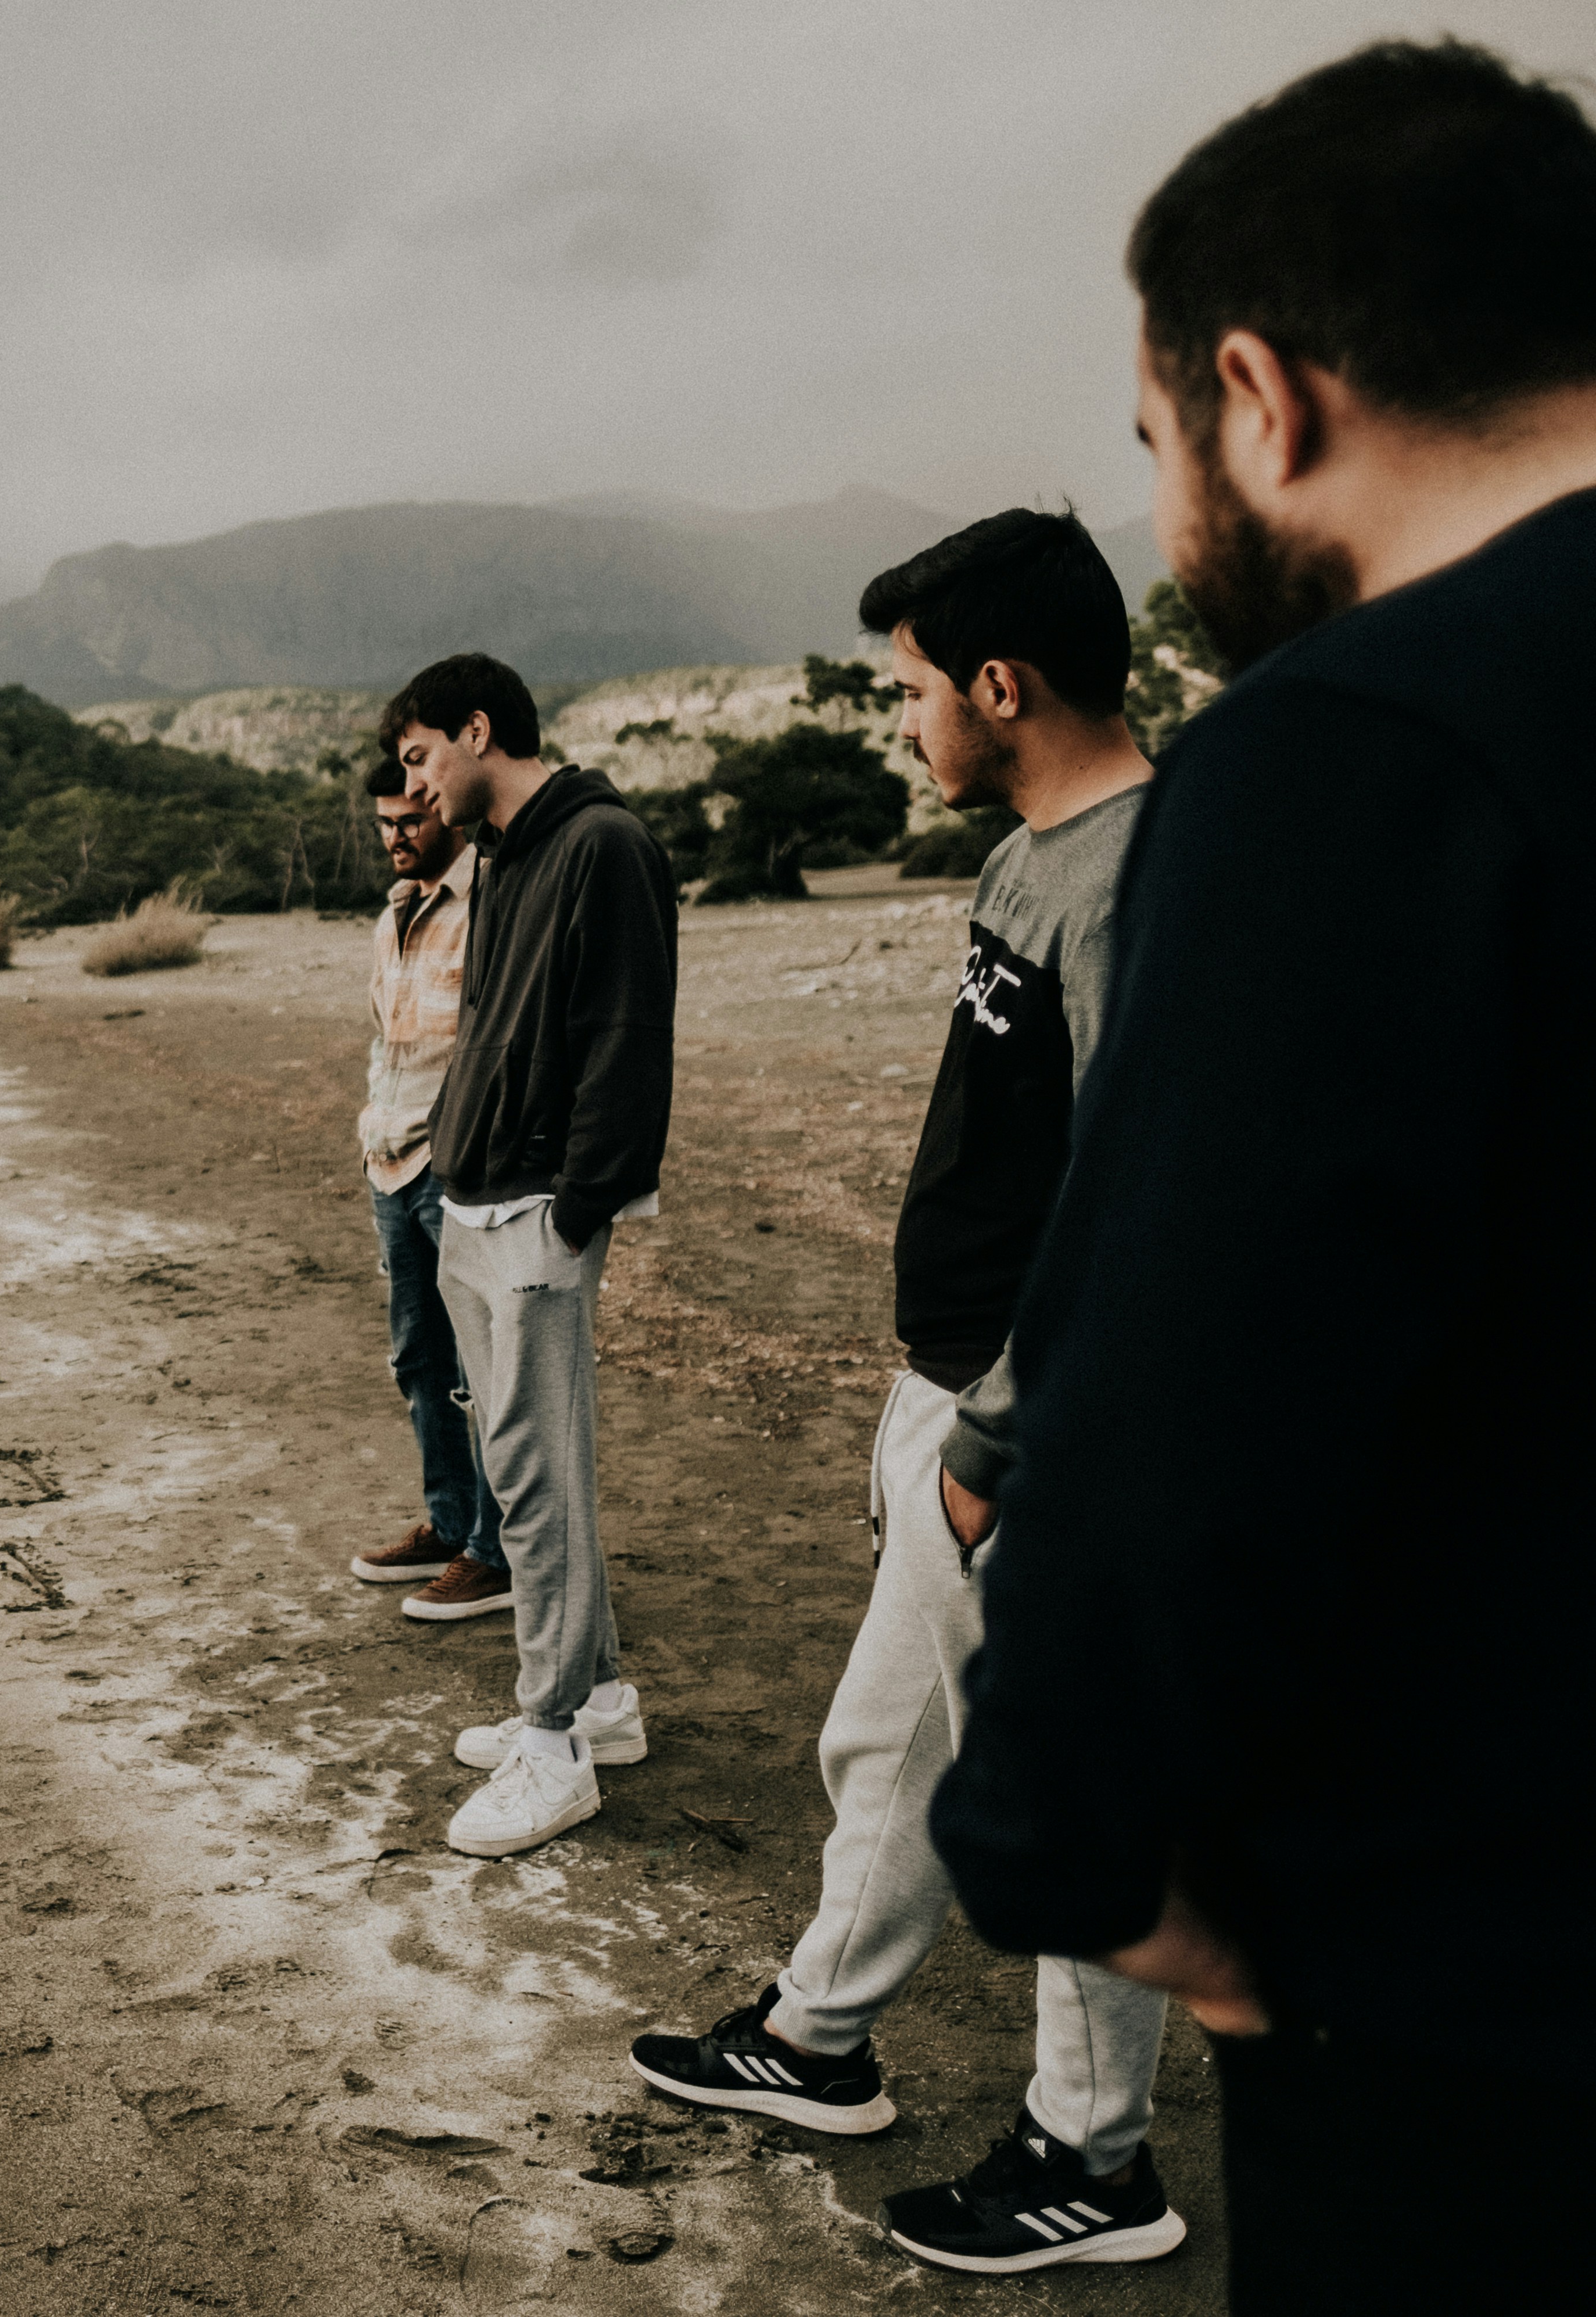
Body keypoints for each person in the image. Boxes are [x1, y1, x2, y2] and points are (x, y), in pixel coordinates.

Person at [925, 41, 1596, 2310]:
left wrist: (1090, 1853)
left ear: (1255, 391)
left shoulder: (1354, 749)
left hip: (1488, 2002)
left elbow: (1189, 1381)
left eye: (1153, 447)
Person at [627, 510, 1183, 2275]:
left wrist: (991, 1443)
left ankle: (1090, 2162)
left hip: (1024, 1431)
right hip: (948, 1395)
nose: (902, 723)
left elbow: (1133, 1203)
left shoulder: (1134, 881)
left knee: (1058, 1785)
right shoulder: (1035, 854)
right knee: (888, 1741)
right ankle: (814, 2039)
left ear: (998, 685)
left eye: (914, 690)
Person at [390, 655, 676, 1858]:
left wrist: (581, 1204)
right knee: (523, 1466)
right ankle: (601, 1697)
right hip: (477, 1191)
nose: (413, 786)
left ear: (476, 727)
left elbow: (627, 1033)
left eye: (419, 756)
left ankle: (553, 1739)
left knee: (538, 1471)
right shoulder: (505, 854)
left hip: (540, 1209)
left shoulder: (603, 842)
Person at [345, 754, 510, 1619]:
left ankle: (494, 1551)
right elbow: (388, 1038)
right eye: (384, 822)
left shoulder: (489, 900)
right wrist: (372, 1128)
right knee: (419, 1357)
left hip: (452, 1169)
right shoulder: (392, 915)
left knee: (482, 1367)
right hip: (389, 1163)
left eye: (409, 818)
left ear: (441, 809)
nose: (396, 837)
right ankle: (448, 1524)